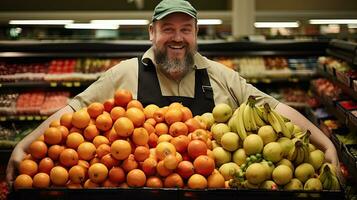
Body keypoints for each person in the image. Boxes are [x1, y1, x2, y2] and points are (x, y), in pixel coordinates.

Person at [7, 0, 339, 186]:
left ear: (196, 34)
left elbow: (275, 109)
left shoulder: (220, 74)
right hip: (137, 186)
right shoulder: (126, 72)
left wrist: (326, 143)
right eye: (168, 29)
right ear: (152, 32)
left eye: (185, 29)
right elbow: (72, 111)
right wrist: (23, 145)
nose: (177, 38)